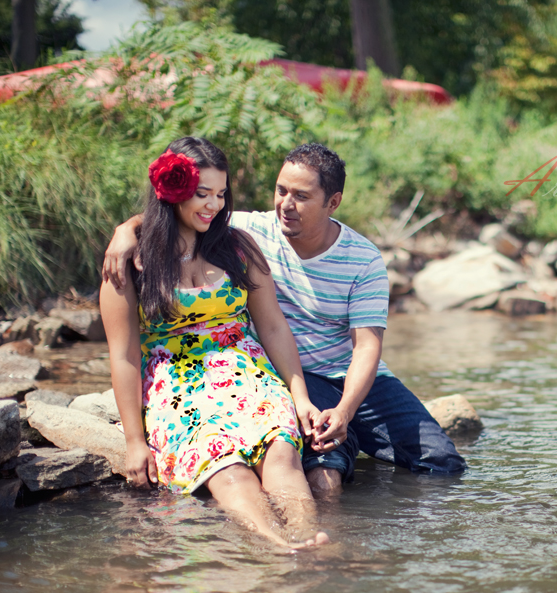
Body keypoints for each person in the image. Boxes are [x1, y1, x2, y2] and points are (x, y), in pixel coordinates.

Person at [103, 143, 467, 498]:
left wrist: (345, 411)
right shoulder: (250, 229)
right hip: (292, 375)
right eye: (281, 191)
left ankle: (356, 444)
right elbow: (179, 209)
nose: (285, 205)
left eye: (301, 196)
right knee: (326, 476)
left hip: (353, 379)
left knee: (444, 463)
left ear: (333, 202)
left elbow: (367, 347)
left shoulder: (363, 259)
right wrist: (126, 231)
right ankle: (324, 522)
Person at [100, 136, 329, 548]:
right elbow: (123, 354)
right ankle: (279, 546)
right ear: (172, 192)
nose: (214, 205)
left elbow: (273, 326)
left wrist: (301, 398)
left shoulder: (238, 247)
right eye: (202, 193)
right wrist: (134, 441)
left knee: (280, 452)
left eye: (221, 194)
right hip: (177, 384)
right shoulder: (132, 261)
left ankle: (308, 537)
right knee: (227, 468)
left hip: (247, 371)